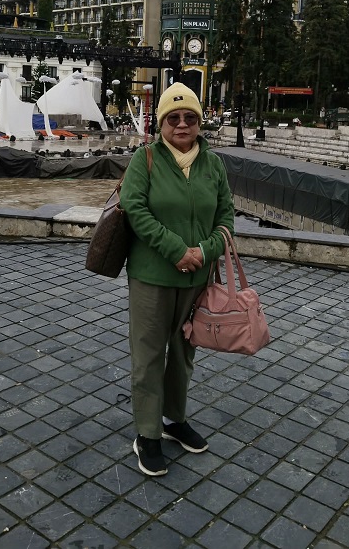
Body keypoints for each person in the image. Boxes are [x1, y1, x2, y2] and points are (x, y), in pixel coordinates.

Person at [120, 82, 234, 477]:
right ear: (161, 123)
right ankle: (147, 432)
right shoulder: (146, 158)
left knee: (184, 354)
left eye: (189, 117)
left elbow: (226, 217)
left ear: (199, 122)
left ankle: (173, 419)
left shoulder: (213, 164)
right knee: (149, 354)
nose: (182, 124)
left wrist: (204, 251)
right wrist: (176, 251)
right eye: (173, 117)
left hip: (196, 278)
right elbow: (134, 208)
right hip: (152, 276)